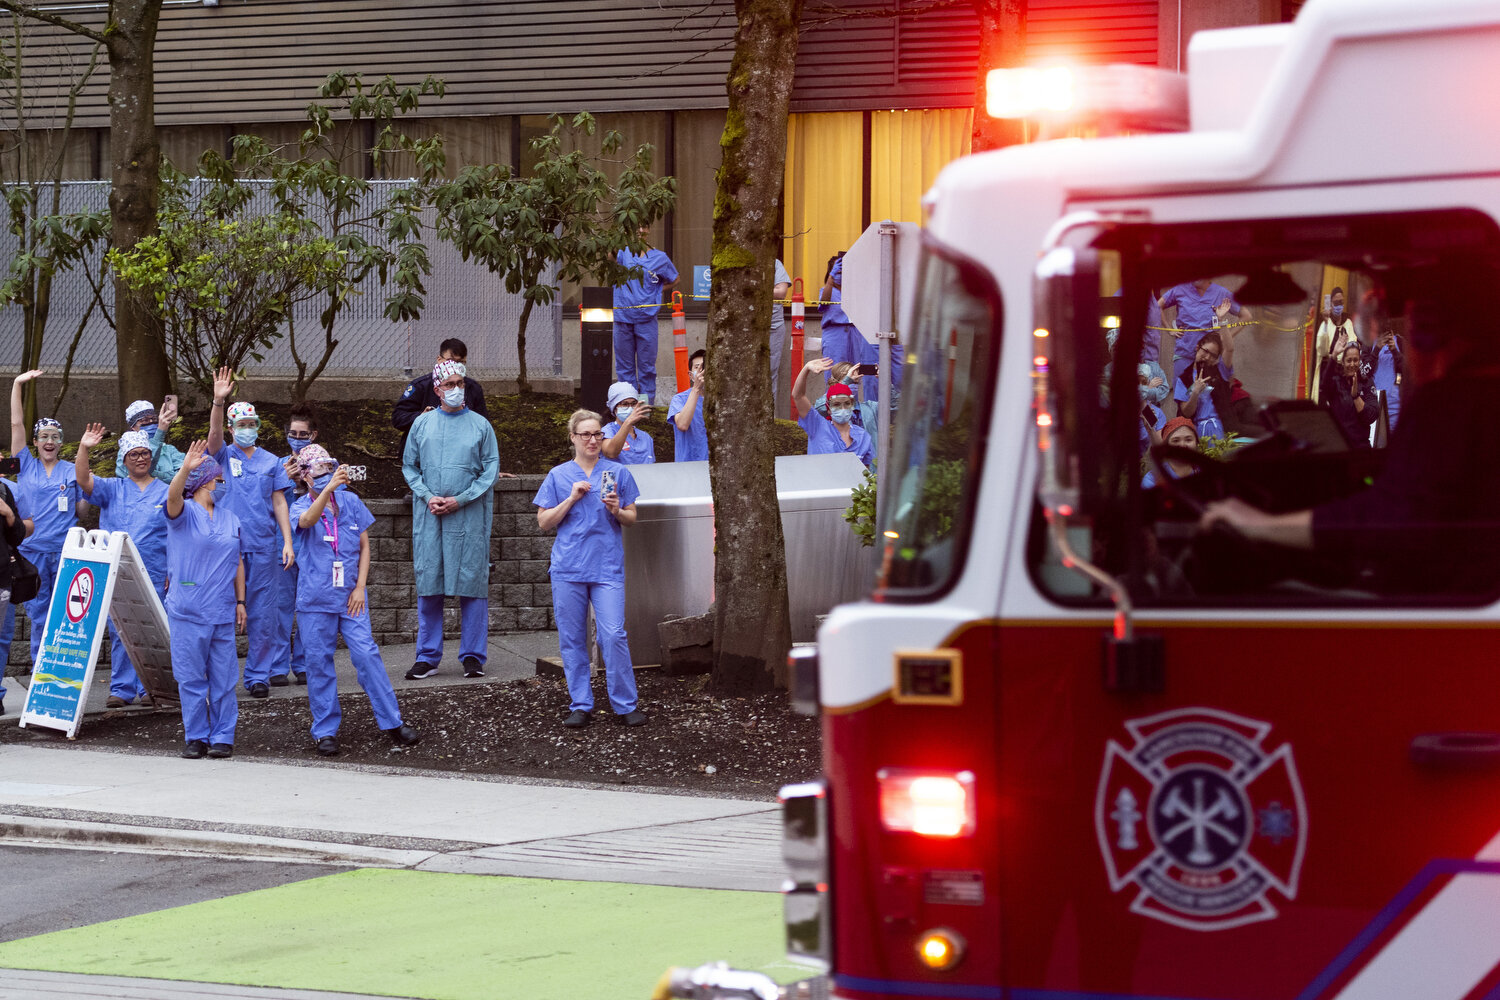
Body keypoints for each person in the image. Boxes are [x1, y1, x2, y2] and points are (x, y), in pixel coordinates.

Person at [1202, 271, 1500, 595]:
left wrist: (1261, 525)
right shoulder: (1479, 399)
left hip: (1441, 591)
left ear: (1432, 335)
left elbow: (1391, 516)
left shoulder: (1451, 402)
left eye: (1414, 330)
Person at [291, 445, 420, 756]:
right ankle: (325, 731)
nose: (326, 474)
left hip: (350, 597)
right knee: (319, 663)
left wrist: (360, 586)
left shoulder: (351, 502)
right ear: (307, 476)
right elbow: (307, 521)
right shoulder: (298, 506)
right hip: (315, 600)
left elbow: (364, 546)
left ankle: (391, 721)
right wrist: (328, 490)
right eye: (319, 469)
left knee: (366, 654)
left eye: (329, 467)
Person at [533, 410, 646, 728]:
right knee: (572, 638)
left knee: (613, 634)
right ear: (573, 438)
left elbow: (632, 516)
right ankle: (581, 704)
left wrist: (617, 510)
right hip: (568, 568)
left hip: (606, 567)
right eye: (586, 434)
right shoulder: (558, 476)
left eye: (597, 434)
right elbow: (543, 522)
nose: (593, 440)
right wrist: (570, 499)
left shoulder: (617, 472)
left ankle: (625, 704)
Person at [402, 358, 503, 680]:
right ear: (436, 389)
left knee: (472, 584)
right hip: (430, 515)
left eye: (461, 383)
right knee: (429, 584)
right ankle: (427, 656)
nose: (457, 389)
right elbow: (409, 466)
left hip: (469, 516)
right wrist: (427, 494)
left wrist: (461, 499)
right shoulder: (422, 424)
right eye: (449, 384)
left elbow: (490, 470)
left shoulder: (480, 425)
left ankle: (473, 656)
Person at [207, 368, 296, 696]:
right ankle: (223, 677)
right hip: (228, 547)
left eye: (251, 424)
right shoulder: (222, 456)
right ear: (232, 429)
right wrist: (219, 401)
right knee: (222, 612)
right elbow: (213, 437)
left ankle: (258, 675)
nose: (247, 430)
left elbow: (280, 503)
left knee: (264, 614)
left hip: (263, 546)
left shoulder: (271, 462)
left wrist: (287, 541)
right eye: (240, 425)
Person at [165, 441, 248, 760]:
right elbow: (172, 497)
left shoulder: (231, 519)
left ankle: (223, 735)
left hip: (222, 610)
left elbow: (237, 560)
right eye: (219, 480)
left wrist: (241, 601)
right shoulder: (182, 513)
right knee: (190, 677)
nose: (223, 485)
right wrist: (185, 469)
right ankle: (196, 735)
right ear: (207, 481)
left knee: (224, 678)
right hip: (187, 610)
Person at [76, 425, 170, 708]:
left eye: (144, 453)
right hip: (118, 573)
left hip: (155, 572)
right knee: (121, 631)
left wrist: (173, 572)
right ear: (124, 459)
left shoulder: (166, 492)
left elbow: (177, 535)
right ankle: (122, 688)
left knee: (153, 630)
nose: (140, 458)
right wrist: (84, 448)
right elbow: (82, 479)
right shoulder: (112, 489)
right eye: (133, 454)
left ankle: (151, 687)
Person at [9, 369, 84, 666]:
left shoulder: (71, 469)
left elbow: (81, 510)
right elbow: (16, 423)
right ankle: (42, 667)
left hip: (66, 552)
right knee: (40, 612)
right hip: (33, 552)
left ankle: (63, 666)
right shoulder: (25, 465)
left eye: (54, 437)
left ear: (61, 442)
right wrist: (17, 384)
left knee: (67, 611)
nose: (49, 441)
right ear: (36, 442)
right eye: (43, 437)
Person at [277, 402, 320, 685]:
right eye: (292, 433)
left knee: (307, 606)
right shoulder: (277, 464)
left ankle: (303, 663)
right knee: (281, 607)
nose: (297, 438)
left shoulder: (323, 462)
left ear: (313, 435)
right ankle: (278, 667)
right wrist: (286, 478)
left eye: (302, 434)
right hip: (284, 544)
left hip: (313, 545)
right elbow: (269, 502)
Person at [612, 230, 678, 405]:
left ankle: (644, 409)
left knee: (646, 369)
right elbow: (607, 258)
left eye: (644, 226)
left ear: (649, 230)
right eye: (636, 226)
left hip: (647, 318)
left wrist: (656, 291)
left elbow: (675, 279)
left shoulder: (660, 257)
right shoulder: (621, 253)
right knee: (625, 369)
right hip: (622, 317)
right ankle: (628, 407)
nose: (640, 230)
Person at [392, 339, 489, 455]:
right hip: (423, 452)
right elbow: (398, 418)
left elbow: (484, 426)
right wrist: (421, 417)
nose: (455, 366)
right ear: (439, 360)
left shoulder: (472, 388)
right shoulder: (420, 386)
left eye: (461, 363)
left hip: (461, 453)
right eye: (451, 361)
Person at [792, 357, 874, 468]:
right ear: (829, 409)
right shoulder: (817, 426)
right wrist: (806, 368)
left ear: (852, 405)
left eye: (847, 403)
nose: (843, 408)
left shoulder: (863, 437)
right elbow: (798, 396)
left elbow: (865, 474)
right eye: (836, 404)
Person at [0, 474, 33, 716]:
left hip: (2, 578)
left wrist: (10, 516)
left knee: (1, 638)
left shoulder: (4, 490)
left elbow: (18, 534)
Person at [1160, 278, 1241, 364]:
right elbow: (1157, 306)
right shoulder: (1179, 289)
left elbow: (1246, 316)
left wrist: (1225, 337)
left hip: (1209, 358)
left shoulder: (1220, 292)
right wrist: (1169, 330)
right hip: (1184, 355)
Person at [1173, 330, 1236, 440]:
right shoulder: (1184, 378)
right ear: (1198, 347)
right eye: (1206, 351)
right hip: (1195, 431)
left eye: (1213, 355)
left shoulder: (1220, 370)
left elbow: (1229, 349)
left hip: (1220, 428)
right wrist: (1195, 393)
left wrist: (1222, 322)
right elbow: (1186, 413)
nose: (1207, 357)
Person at [114, 398, 186, 481]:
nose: (151, 422)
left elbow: (185, 475)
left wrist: (157, 476)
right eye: (145, 420)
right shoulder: (126, 452)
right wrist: (160, 433)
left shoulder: (168, 449)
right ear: (133, 427)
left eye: (154, 419)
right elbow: (139, 476)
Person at [1320, 342, 1377, 447]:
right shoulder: (1336, 382)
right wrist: (1333, 356)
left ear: (1359, 361)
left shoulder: (1367, 382)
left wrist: (1356, 397)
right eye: (1349, 360)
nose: (1352, 364)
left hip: (1361, 446)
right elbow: (1324, 385)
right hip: (1339, 446)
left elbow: (1371, 416)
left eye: (1355, 360)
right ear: (1343, 362)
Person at [1311, 286, 1356, 404]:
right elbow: (1322, 350)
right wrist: (1326, 322)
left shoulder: (1348, 323)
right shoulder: (1326, 323)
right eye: (1336, 303)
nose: (1339, 306)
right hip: (1328, 371)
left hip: (1343, 372)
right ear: (1331, 304)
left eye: (1341, 302)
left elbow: (1353, 345)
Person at [667, 349, 708, 462]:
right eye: (697, 367)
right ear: (690, 375)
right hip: (687, 466)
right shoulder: (679, 399)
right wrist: (696, 389)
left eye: (704, 367)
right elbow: (682, 424)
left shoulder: (720, 400)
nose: (701, 371)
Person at [813, 361, 878, 432]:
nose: (853, 386)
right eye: (850, 382)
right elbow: (820, 408)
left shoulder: (869, 407)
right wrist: (845, 383)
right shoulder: (829, 406)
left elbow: (891, 408)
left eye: (855, 382)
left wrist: (885, 380)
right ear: (836, 382)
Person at [601, 381, 655, 465]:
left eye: (634, 403)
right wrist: (628, 422)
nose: (630, 408)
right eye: (625, 404)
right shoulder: (607, 431)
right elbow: (611, 453)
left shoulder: (645, 437)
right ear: (614, 408)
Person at [1141, 417, 1199, 489]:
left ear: (1196, 443)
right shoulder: (1152, 481)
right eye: (1175, 441)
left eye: (1188, 440)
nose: (1182, 445)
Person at [767, 258, 792, 403]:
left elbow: (781, 292)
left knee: (770, 373)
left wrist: (753, 288)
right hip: (745, 325)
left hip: (773, 326)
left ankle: (770, 418)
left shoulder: (774, 263)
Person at [1371, 326, 1404, 431]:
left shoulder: (1400, 342)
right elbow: (1363, 372)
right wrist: (1376, 349)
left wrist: (1394, 350)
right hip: (1374, 404)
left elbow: (1407, 371)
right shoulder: (1369, 343)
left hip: (1395, 406)